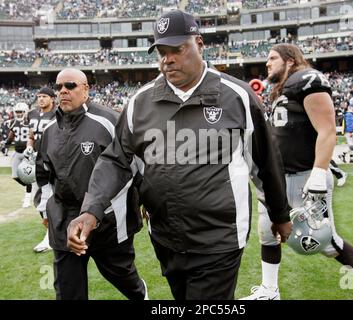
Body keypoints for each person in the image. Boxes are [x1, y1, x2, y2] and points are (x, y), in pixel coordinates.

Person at [67, 9, 292, 300]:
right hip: (165, 237)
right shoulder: (141, 101)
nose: (168, 59)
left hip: (218, 239)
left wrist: (279, 213)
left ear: (199, 44)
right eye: (162, 51)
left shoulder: (237, 95)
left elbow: (265, 163)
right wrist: (91, 209)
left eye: (177, 49)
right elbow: (117, 160)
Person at [242, 44, 353, 300]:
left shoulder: (307, 79)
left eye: (272, 58)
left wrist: (319, 172)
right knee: (268, 234)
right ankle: (269, 290)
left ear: (290, 61)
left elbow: (327, 129)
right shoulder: (283, 88)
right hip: (277, 178)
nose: (267, 64)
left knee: (322, 240)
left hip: (304, 176)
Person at [35, 68, 147, 300]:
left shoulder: (109, 121)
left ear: (86, 89)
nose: (63, 91)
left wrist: (145, 200)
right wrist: (44, 208)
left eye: (70, 86)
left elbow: (135, 166)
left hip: (108, 219)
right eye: (59, 87)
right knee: (68, 291)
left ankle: (141, 293)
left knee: (124, 278)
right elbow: (43, 174)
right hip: (65, 221)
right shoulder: (48, 131)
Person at [25, 87, 57, 253]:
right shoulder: (32, 114)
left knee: (51, 198)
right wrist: (29, 148)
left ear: (52, 98)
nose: (41, 99)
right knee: (40, 200)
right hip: (37, 161)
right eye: (38, 96)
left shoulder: (58, 113)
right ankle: (51, 234)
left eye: (44, 96)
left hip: (52, 161)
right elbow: (31, 136)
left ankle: (51, 237)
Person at [4, 102, 32, 208]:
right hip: (17, 152)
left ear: (25, 112)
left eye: (21, 112)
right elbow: (11, 137)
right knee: (15, 176)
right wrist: (6, 144)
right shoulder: (13, 123)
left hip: (27, 153)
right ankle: (30, 188)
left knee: (27, 176)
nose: (19, 114)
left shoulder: (30, 122)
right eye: (17, 112)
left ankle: (27, 198)